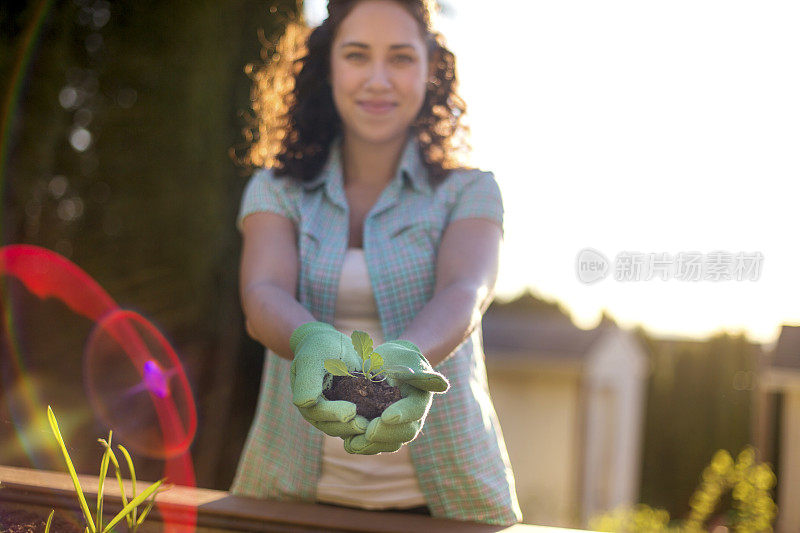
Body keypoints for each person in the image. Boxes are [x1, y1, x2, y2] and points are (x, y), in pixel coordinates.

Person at [230, 0, 522, 526]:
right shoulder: (276, 189)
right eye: (358, 55)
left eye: (402, 58)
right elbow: (263, 294)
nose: (379, 79)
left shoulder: (472, 190)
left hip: (449, 503)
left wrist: (406, 357)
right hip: (289, 498)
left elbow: (465, 291)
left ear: (431, 68)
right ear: (327, 66)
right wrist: (312, 341)